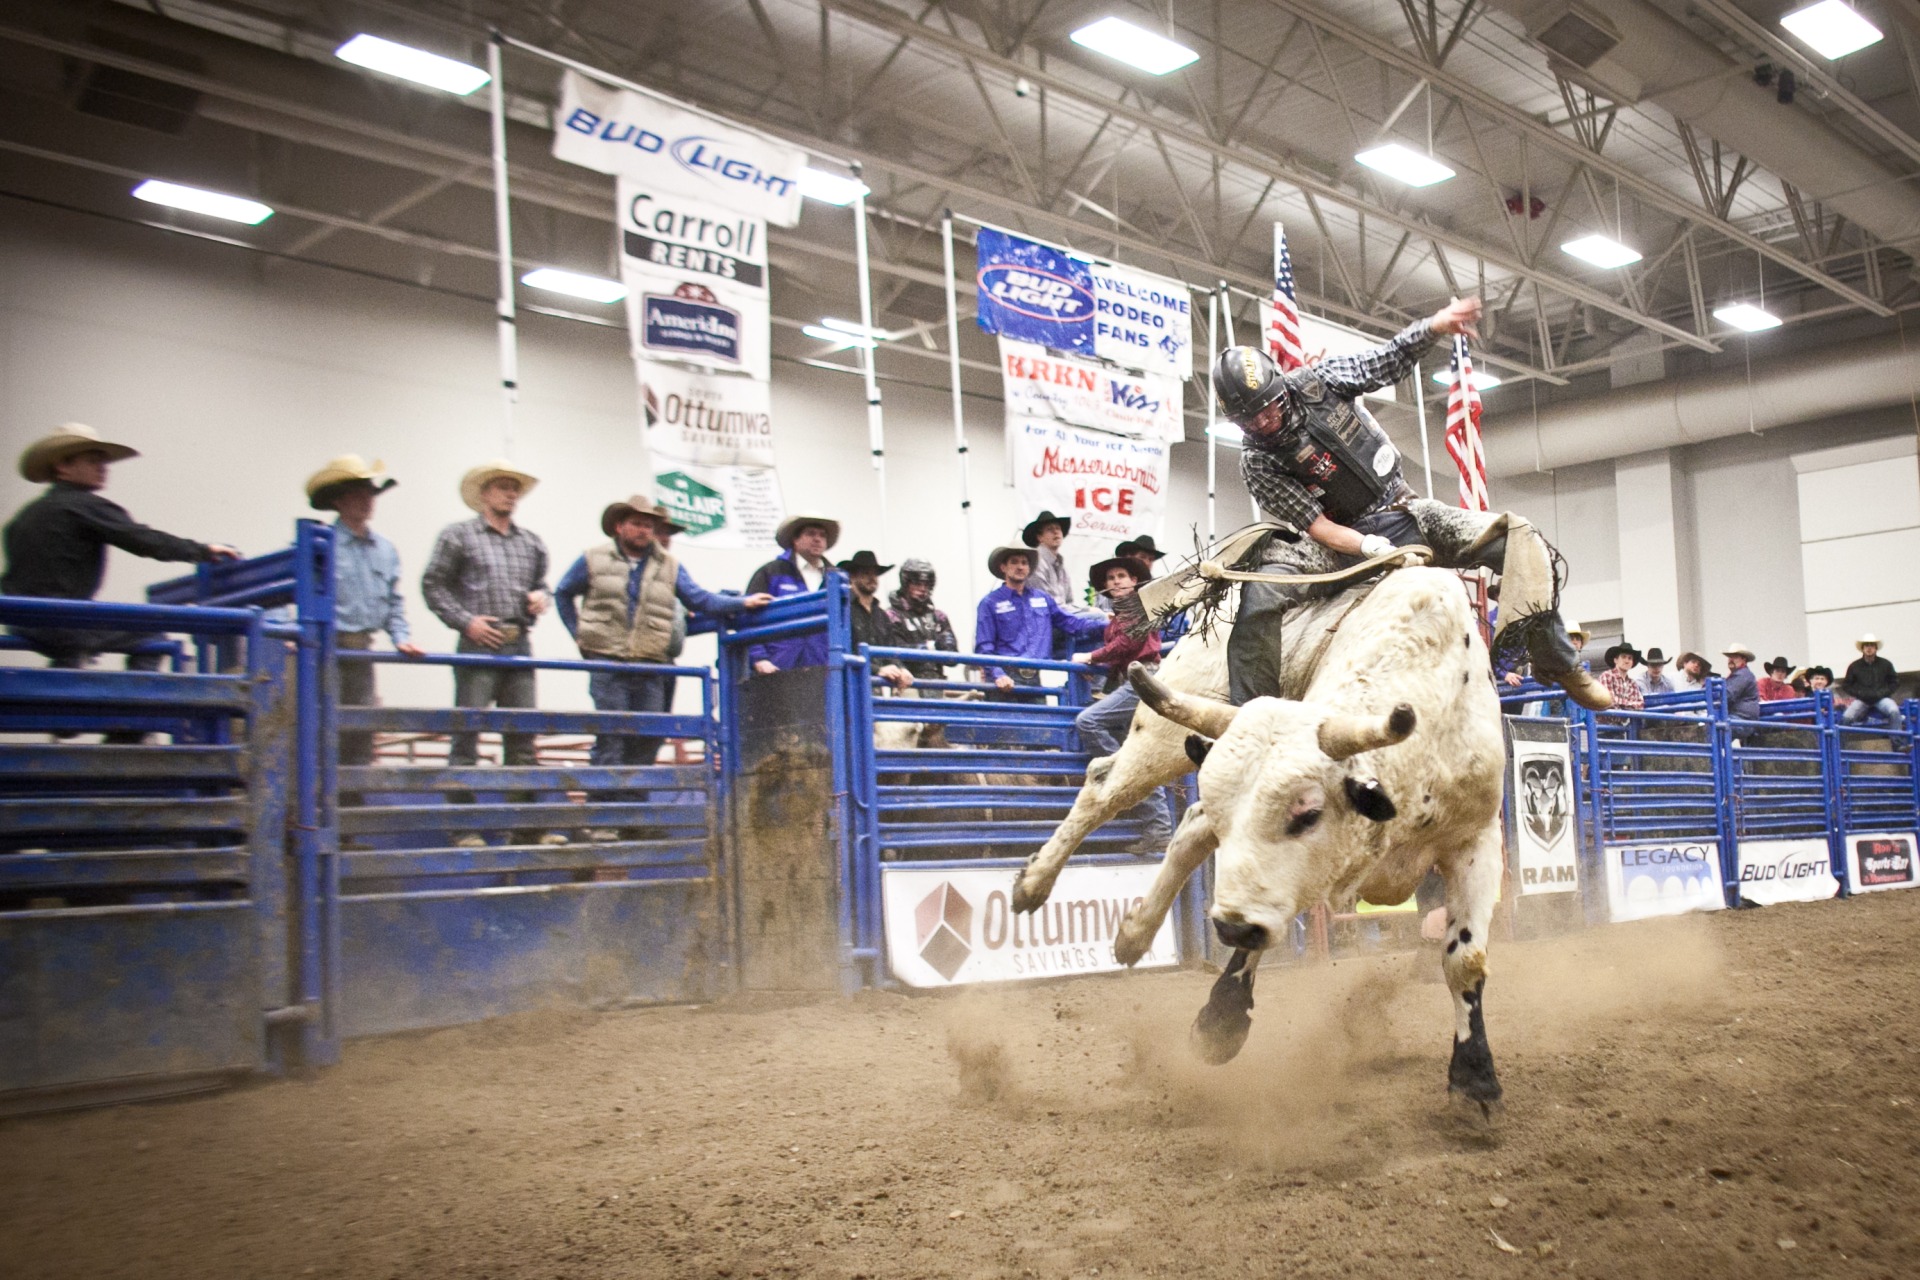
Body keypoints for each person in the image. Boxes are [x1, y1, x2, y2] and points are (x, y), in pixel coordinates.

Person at [1205, 296, 1609, 712]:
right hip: (1338, 542)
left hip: (1404, 507)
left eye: (1265, 409)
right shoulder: (1257, 462)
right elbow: (1317, 526)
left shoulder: (1317, 382)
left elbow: (1385, 362)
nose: (1261, 423)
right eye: (1247, 420)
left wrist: (1434, 325)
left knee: (1518, 538)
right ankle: (1252, 712)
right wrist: (1367, 546)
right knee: (1259, 594)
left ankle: (1558, 662)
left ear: (1279, 388)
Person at [554, 494, 772, 780]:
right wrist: (579, 634)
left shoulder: (669, 565)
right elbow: (563, 592)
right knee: (612, 733)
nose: (643, 530)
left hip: (651, 662)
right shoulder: (593, 558)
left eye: (648, 525)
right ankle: (608, 808)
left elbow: (698, 598)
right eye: (636, 523)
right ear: (619, 526)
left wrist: (741, 603)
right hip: (608, 661)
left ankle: (633, 810)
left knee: (651, 734)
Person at [3, 423, 239, 679]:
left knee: (72, 647)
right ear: (62, 467)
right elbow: (143, 540)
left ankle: (60, 690)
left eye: (103, 462)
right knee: (150, 636)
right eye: (93, 461)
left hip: (22, 622)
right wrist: (203, 551)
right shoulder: (84, 506)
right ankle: (135, 708)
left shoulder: (23, 518)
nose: (103, 468)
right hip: (63, 622)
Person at [420, 460, 557, 846]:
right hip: (478, 642)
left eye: (514, 488)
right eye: (501, 487)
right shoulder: (457, 536)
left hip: (518, 642)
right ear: (484, 495)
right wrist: (466, 622)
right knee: (467, 737)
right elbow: (433, 585)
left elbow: (542, 585)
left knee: (522, 739)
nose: (510, 494)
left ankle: (527, 827)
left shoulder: (530, 542)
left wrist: (539, 599)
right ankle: (463, 827)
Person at [305, 455, 423, 786]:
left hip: (361, 651)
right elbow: (297, 589)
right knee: (324, 731)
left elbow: (393, 599)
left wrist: (400, 635)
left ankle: (350, 822)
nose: (365, 501)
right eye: (357, 493)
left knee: (359, 732)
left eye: (369, 494)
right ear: (339, 500)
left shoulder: (385, 549)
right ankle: (323, 817)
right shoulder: (320, 544)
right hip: (326, 649)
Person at [1070, 555, 1172, 850]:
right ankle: (1159, 829)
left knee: (1088, 721)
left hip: (1144, 677)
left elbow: (1127, 644)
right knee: (1138, 756)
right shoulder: (1119, 615)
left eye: (1121, 576)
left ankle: (1117, 769)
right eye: (1111, 578)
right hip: (1132, 679)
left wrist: (1091, 657)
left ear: (1134, 581)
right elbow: (1123, 650)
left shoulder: (1140, 607)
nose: (1116, 581)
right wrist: (1100, 669)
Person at [974, 542, 1107, 694]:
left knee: (1038, 715)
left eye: (1024, 562)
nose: (1020, 567)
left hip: (1035, 676)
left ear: (1029, 568)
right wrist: (998, 675)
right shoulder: (990, 603)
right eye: (1014, 562)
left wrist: (1109, 625)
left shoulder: (1042, 598)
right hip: (1004, 678)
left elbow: (1071, 622)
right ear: (1003, 567)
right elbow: (984, 647)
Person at [745, 513, 839, 674]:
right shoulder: (770, 572)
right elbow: (749, 618)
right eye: (810, 533)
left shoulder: (836, 578)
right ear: (795, 540)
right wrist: (759, 658)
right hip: (777, 665)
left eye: (822, 535)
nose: (817, 539)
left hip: (822, 667)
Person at [836, 550, 912, 690]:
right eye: (865, 573)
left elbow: (891, 649)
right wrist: (878, 670)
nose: (872, 578)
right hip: (852, 686)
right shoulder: (843, 611)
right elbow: (845, 653)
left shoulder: (881, 615)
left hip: (878, 686)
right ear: (852, 576)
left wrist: (901, 669)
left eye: (874, 573)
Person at [884, 558, 957, 681]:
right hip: (907, 681)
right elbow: (895, 652)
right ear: (906, 584)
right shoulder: (892, 616)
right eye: (917, 584)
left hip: (938, 681)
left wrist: (948, 647)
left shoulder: (939, 617)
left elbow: (953, 660)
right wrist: (930, 647)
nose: (923, 589)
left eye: (926, 585)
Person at [1841, 634, 1900, 726]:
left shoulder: (1886, 664)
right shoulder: (1854, 666)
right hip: (1862, 700)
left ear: (1876, 648)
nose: (1869, 648)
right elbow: (1846, 685)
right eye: (1866, 645)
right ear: (1862, 648)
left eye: (1871, 645)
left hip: (1882, 699)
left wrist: (1883, 693)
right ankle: (1842, 740)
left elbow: (1894, 682)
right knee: (1846, 717)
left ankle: (1896, 739)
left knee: (1894, 711)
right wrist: (1859, 693)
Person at [1598, 643, 1645, 710]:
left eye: (1630, 658)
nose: (1627, 661)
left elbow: (1640, 704)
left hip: (1628, 720)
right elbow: (1608, 701)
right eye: (1623, 657)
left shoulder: (1633, 683)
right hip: (1607, 720)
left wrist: (1620, 704)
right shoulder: (1606, 677)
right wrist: (1630, 705)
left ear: (1632, 663)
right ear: (1615, 660)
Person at [1722, 644, 1761, 721]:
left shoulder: (1743, 674)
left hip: (1742, 719)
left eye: (1735, 657)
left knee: (1707, 729)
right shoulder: (1738, 675)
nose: (1730, 660)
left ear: (1744, 660)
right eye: (1729, 657)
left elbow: (1728, 695)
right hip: (1737, 718)